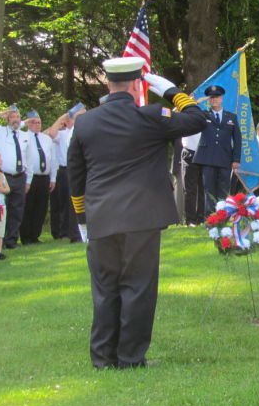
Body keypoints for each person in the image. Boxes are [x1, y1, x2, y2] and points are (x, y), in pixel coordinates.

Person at [67, 56, 207, 369]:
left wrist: (81, 218)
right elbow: (197, 119)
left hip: (101, 216)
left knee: (105, 290)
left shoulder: (84, 122)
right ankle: (130, 358)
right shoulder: (153, 115)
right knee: (137, 287)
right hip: (141, 217)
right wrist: (171, 91)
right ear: (136, 84)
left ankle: (103, 358)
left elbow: (75, 176)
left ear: (107, 83)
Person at [0, 105, 33, 249]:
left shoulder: (25, 135)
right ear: (7, 119)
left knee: (17, 209)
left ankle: (11, 240)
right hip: (2, 176)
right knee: (0, 209)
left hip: (20, 176)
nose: (15, 120)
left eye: (17, 117)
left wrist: (29, 180)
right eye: (12, 117)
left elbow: (29, 159)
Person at [192, 85, 241, 216]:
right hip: (208, 158)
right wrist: (196, 102)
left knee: (224, 190)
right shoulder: (203, 115)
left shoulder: (231, 117)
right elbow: (185, 113)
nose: (214, 100)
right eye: (211, 98)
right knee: (208, 190)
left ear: (221, 99)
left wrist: (236, 159)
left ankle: (223, 217)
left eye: (216, 97)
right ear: (208, 100)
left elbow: (237, 139)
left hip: (225, 159)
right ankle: (210, 218)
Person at [46, 105, 86, 243]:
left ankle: (80, 232)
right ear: (70, 119)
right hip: (66, 171)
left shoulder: (84, 131)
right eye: (79, 116)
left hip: (82, 170)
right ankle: (70, 233)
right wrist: (62, 118)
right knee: (68, 203)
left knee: (81, 201)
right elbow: (51, 133)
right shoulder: (64, 133)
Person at [19, 110, 58, 245]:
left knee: (41, 207)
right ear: (28, 123)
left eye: (39, 122)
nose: (37, 125)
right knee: (28, 206)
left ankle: (35, 235)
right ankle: (25, 236)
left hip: (44, 177)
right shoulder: (23, 136)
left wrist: (53, 178)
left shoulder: (46, 139)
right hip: (29, 177)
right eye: (33, 122)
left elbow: (52, 160)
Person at [182, 132, 204, 226]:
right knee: (189, 189)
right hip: (189, 150)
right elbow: (167, 116)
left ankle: (202, 219)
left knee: (203, 188)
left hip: (205, 151)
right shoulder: (185, 116)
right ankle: (190, 220)